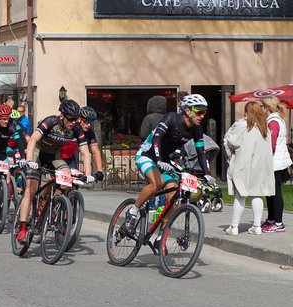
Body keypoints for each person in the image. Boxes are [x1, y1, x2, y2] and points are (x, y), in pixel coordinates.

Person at [122, 94, 214, 244]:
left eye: (205, 112)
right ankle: (133, 211)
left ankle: (161, 236)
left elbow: (201, 152)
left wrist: (207, 174)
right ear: (187, 110)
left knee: (173, 197)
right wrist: (158, 160)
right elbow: (157, 139)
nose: (202, 115)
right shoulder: (171, 118)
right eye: (199, 111)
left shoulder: (196, 129)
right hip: (147, 155)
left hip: (165, 161)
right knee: (156, 184)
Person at [16, 99, 95, 244]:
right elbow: (33, 139)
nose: (73, 122)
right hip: (38, 154)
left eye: (75, 119)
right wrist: (29, 160)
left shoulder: (76, 129)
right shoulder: (50, 121)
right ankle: (22, 229)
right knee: (30, 190)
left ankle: (54, 207)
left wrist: (88, 175)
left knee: (66, 178)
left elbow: (86, 153)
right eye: (70, 119)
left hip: (54, 156)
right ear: (62, 116)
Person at [223, 101, 275, 235]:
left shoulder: (243, 125)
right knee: (257, 194)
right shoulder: (265, 128)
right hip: (260, 166)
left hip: (244, 164)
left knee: (240, 195)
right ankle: (257, 226)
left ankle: (234, 227)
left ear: (247, 112)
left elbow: (232, 142)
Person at [262, 96, 293, 233]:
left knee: (275, 192)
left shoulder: (273, 122)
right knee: (270, 192)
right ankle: (271, 219)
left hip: (274, 162)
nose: (261, 109)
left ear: (268, 107)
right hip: (276, 161)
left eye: (263, 106)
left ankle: (278, 223)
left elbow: (271, 144)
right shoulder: (276, 120)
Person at [60, 106, 104, 180]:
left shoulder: (89, 133)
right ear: (79, 119)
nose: (89, 125)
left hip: (70, 158)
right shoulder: (71, 127)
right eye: (87, 121)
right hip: (57, 155)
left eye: (91, 122)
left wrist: (99, 171)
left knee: (74, 183)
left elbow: (95, 151)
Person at [140, 96, 167, 211]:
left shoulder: (149, 118)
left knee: (151, 179)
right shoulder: (167, 117)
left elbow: (143, 134)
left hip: (151, 150)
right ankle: (161, 203)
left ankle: (151, 203)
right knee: (161, 178)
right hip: (164, 151)